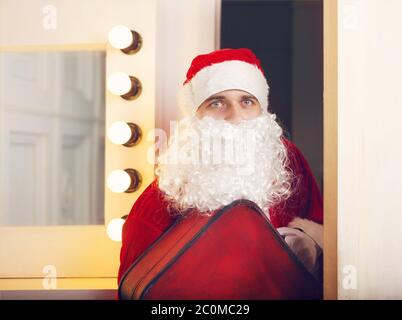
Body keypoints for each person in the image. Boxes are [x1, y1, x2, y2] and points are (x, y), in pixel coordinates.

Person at [117, 48, 323, 288]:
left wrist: (312, 244)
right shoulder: (159, 200)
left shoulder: (288, 160)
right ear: (196, 118)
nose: (235, 116)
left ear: (261, 109)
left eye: (247, 101)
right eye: (217, 103)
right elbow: (136, 287)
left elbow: (319, 222)